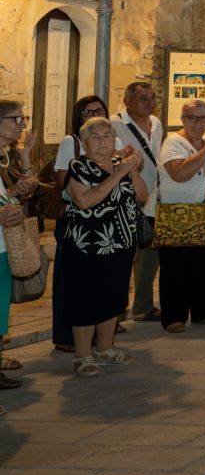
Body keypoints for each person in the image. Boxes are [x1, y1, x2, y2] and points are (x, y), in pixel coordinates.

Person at [57, 116, 145, 377]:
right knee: (86, 300)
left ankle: (105, 349)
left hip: (121, 243)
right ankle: (82, 355)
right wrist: (119, 174)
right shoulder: (79, 166)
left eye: (107, 136)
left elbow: (141, 196)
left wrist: (133, 171)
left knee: (113, 296)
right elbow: (85, 201)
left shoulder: (121, 164)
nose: (103, 141)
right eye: (95, 137)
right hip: (87, 246)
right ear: (84, 143)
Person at [156, 101, 205, 332]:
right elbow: (180, 173)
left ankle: (201, 311)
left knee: (202, 266)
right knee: (175, 267)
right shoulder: (173, 142)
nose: (199, 123)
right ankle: (173, 316)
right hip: (180, 213)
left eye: (203, 118)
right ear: (183, 119)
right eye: (193, 118)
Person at [47, 95, 107, 352]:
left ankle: (95, 331)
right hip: (75, 219)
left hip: (103, 220)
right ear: (78, 117)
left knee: (97, 280)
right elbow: (62, 179)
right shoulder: (70, 143)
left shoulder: (110, 140)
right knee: (68, 279)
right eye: (87, 112)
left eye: (99, 110)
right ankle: (65, 335)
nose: (94, 115)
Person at [113, 82, 163, 323]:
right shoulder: (115, 124)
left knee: (149, 252)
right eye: (144, 98)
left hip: (153, 196)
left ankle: (143, 305)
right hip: (125, 197)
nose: (150, 103)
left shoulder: (157, 123)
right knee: (122, 255)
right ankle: (115, 312)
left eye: (153, 98)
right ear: (128, 101)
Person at [0, 101, 36, 394]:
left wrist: (25, 157)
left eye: (23, 119)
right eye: (16, 119)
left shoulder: (5, 155)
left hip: (4, 244)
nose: (21, 125)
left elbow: (11, 193)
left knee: (1, 308)